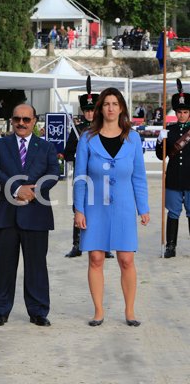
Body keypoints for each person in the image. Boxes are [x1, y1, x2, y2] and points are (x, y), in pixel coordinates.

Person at [73, 87, 149, 327]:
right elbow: (80, 177)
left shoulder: (133, 138)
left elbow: (139, 176)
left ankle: (130, 311)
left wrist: (143, 208)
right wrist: (78, 209)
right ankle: (98, 311)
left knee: (126, 259)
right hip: (94, 206)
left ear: (122, 108)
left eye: (115, 104)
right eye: (106, 104)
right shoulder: (87, 138)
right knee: (96, 258)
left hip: (124, 207)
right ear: (100, 108)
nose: (111, 108)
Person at [0, 103, 59, 328]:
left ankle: (38, 311)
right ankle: (0, 311)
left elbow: (54, 173)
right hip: (5, 214)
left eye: (26, 119)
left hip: (36, 213)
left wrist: (34, 191)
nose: (21, 123)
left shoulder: (46, 147)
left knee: (36, 266)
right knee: (3, 266)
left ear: (34, 121)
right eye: (17, 119)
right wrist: (17, 189)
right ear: (11, 120)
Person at [63, 77, 114, 259]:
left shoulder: (106, 128)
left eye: (92, 110)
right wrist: (77, 155)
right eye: (87, 111)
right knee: (79, 207)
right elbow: (67, 153)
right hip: (83, 176)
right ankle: (77, 245)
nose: (90, 114)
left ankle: (105, 246)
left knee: (104, 208)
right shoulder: (77, 130)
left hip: (102, 176)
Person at [155, 79, 190, 258]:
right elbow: (161, 156)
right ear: (175, 112)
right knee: (173, 213)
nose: (182, 115)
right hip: (174, 178)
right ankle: (170, 246)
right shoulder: (170, 130)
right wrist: (160, 141)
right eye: (179, 112)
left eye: (185, 112)